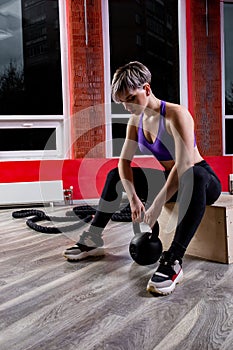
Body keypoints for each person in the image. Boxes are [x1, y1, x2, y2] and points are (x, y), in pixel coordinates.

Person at [63, 61, 221, 295]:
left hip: (202, 180)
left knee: (194, 175)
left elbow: (184, 164)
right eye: (122, 102)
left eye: (131, 98)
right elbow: (123, 162)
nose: (127, 107)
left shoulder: (177, 115)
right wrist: (135, 198)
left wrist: (157, 203)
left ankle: (174, 261)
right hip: (172, 179)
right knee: (115, 175)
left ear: (146, 89)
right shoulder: (135, 121)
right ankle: (93, 239)